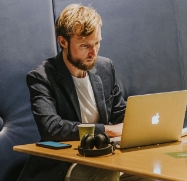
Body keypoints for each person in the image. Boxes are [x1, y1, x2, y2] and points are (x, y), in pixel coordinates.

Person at [17, 4, 126, 181]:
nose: (93, 53)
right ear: (63, 42)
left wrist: (140, 123)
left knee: (147, 175)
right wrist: (108, 131)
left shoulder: (106, 68)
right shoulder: (41, 76)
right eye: (85, 45)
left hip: (103, 161)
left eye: (97, 43)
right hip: (63, 167)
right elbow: (51, 128)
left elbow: (120, 113)